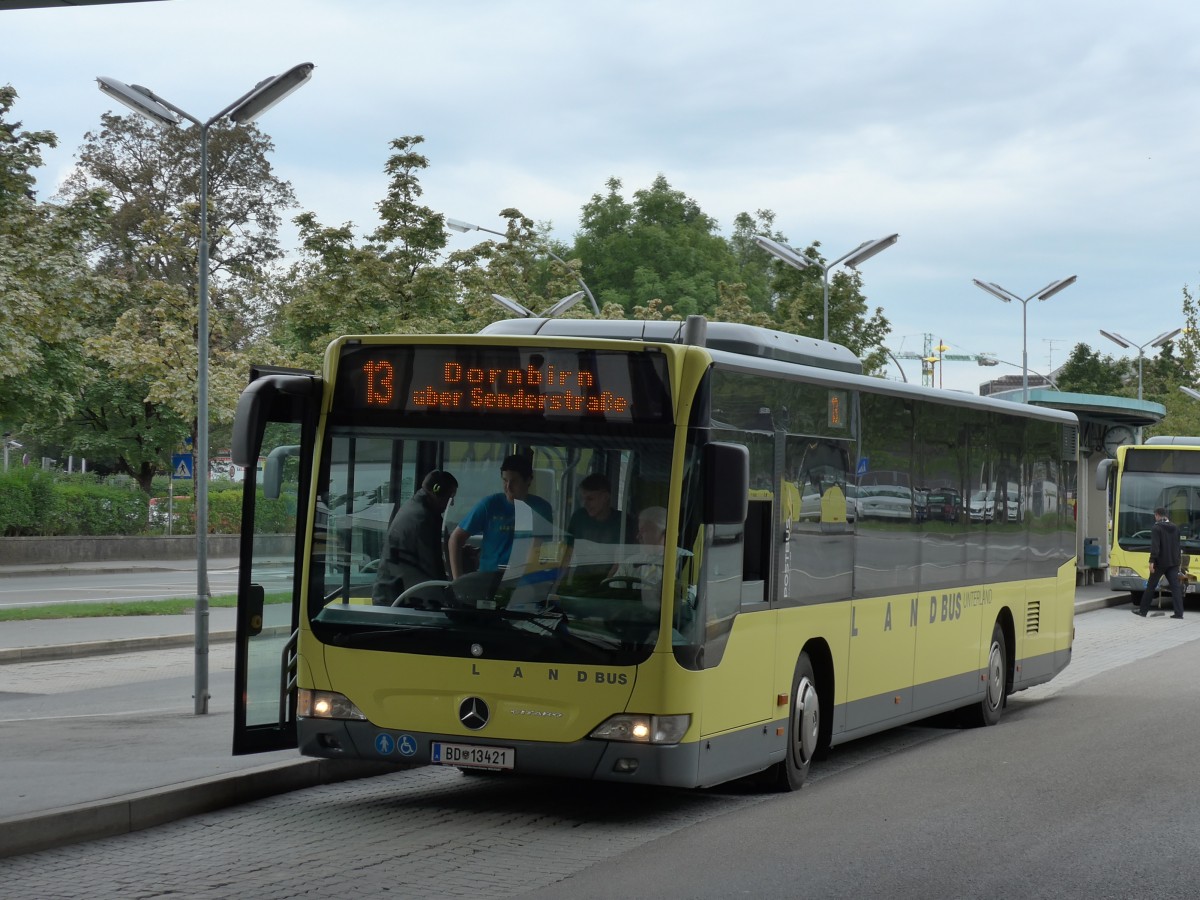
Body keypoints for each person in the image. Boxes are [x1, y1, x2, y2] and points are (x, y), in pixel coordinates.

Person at [448, 454, 553, 580]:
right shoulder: (489, 505)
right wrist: (458, 580)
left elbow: (537, 548)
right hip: (488, 580)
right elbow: (455, 538)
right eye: (504, 480)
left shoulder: (541, 509)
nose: (508, 487)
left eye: (514, 481)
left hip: (523, 580)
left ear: (528, 480)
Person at [371, 469, 458, 606]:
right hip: (399, 602)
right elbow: (431, 570)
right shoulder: (423, 520)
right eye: (450, 497)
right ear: (436, 491)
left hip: (392, 595)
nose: (451, 504)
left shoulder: (415, 508)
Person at [557, 473, 634, 590]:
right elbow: (567, 554)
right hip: (581, 582)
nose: (585, 504)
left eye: (590, 499)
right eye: (583, 499)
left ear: (605, 497)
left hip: (611, 583)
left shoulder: (623, 522)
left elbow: (621, 562)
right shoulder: (578, 518)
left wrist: (605, 587)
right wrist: (558, 584)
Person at [1134, 506, 1184, 618]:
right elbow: (1178, 546)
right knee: (1175, 587)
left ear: (1157, 515)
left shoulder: (1156, 528)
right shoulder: (1176, 528)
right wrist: (1178, 562)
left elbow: (1155, 547)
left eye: (1155, 516)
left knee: (1151, 586)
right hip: (1173, 563)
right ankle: (1179, 613)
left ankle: (1143, 611)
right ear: (1166, 515)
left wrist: (1152, 561)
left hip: (1160, 563)